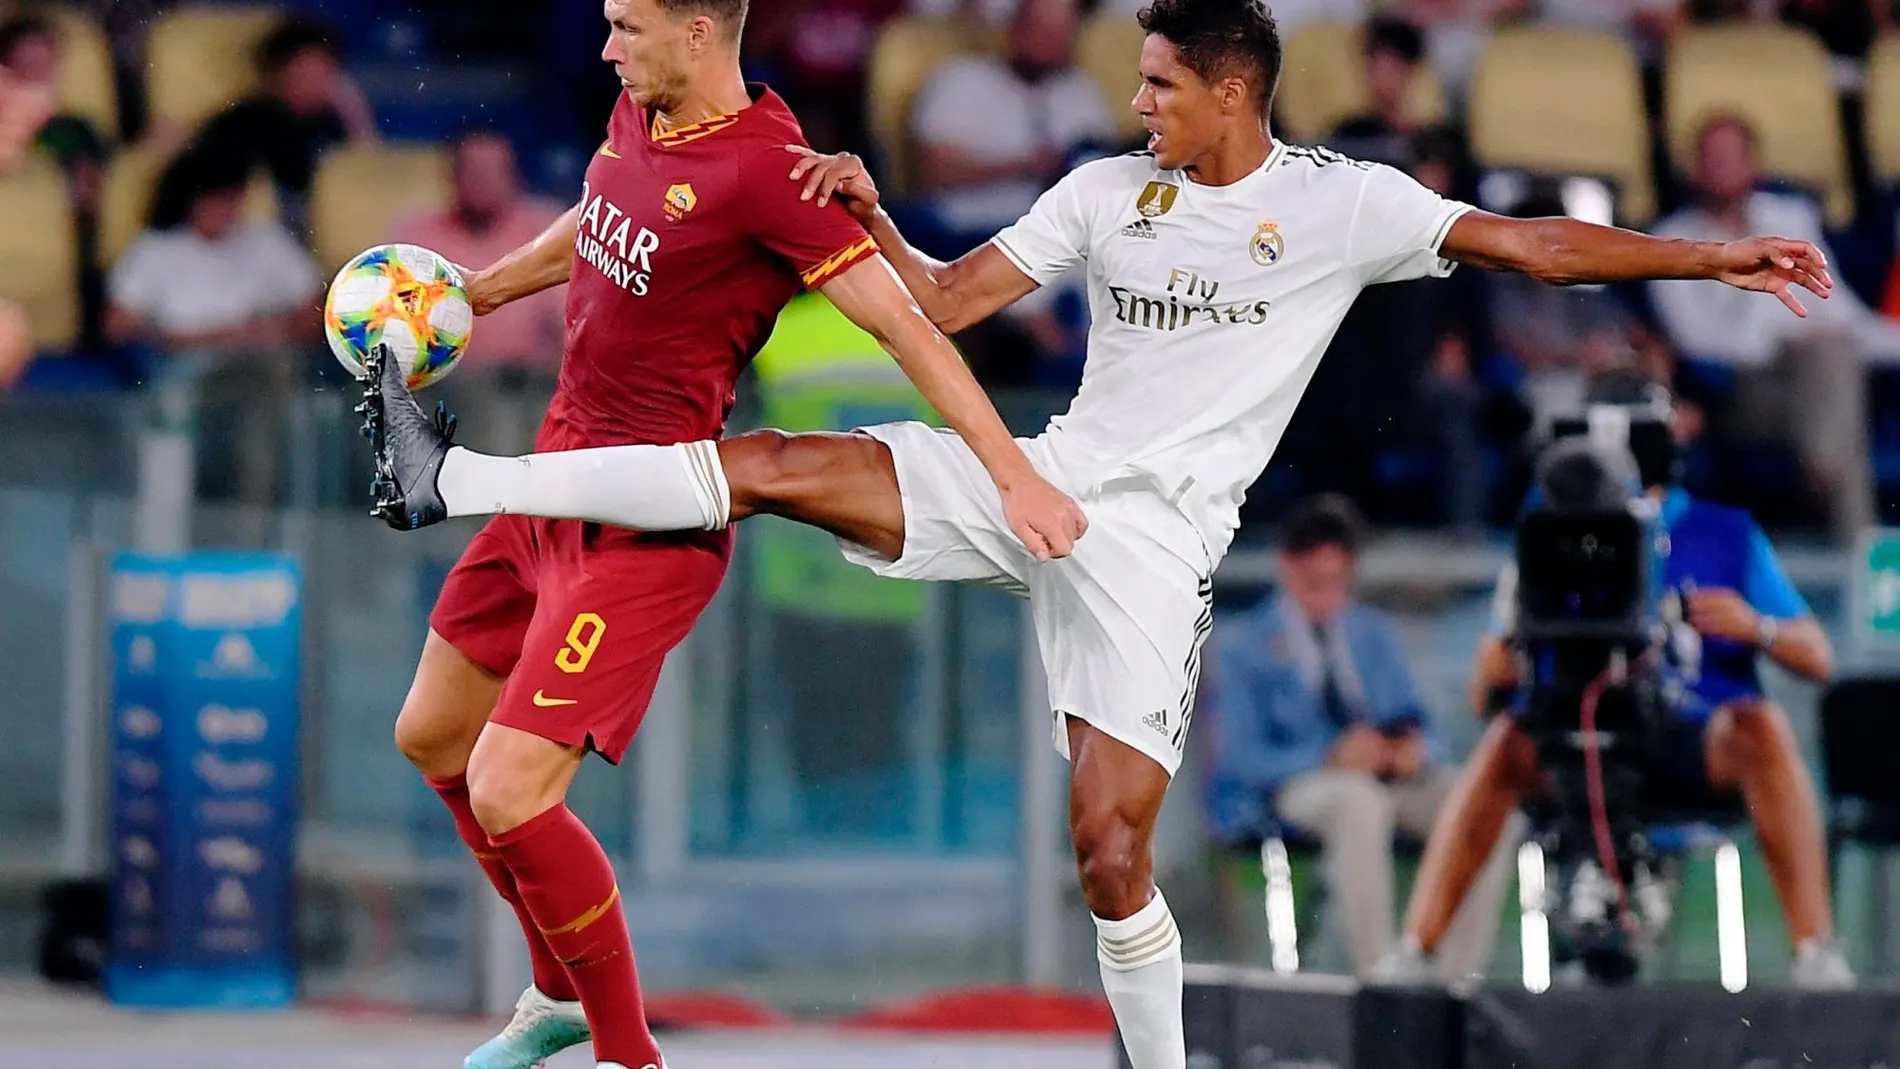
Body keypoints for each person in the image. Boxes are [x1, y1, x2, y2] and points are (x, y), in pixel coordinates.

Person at [363, 1, 1833, 1064]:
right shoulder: (1100, 193)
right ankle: (468, 479)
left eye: (1159, 87)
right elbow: (941, 306)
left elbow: (1535, 247)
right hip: (1045, 477)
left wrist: (1709, 252)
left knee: (1110, 851)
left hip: (1148, 548)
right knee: (769, 462)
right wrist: (872, 215)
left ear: (1234, 96)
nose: (1137, 106)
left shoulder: (1345, 208)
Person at [369, 2, 1084, 1069]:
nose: (607, 48)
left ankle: (627, 1053)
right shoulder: (638, 111)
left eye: (626, 25)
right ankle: (560, 994)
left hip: (647, 525)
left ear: (699, 31)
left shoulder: (772, 176)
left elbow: (909, 331)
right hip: (550, 484)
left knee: (511, 787)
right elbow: (598, 217)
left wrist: (1014, 474)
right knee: (431, 735)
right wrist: (481, 287)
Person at [1383, 380, 1854, 989]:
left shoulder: (1725, 533)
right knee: (1505, 738)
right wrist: (1504, 656)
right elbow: (1482, 692)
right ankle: (1416, 950)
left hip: (1688, 735)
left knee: (1762, 725)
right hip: (1571, 731)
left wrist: (1754, 625)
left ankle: (1815, 951)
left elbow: (1818, 659)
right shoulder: (1547, 531)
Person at [1207, 494, 1517, 980]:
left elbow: (1417, 722)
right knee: (1357, 801)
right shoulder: (1246, 647)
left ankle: (1454, 980)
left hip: (1386, 780)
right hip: (1295, 787)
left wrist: (1413, 753)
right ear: (1287, 567)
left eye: (1337, 582)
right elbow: (1243, 760)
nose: (1326, 596)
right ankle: (1379, 975)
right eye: (1314, 583)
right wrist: (1332, 756)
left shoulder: (1371, 634)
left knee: (1478, 802)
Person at [1649, 112, 1900, 541]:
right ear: (1694, 168)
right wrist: (1785, 336)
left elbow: (1840, 313)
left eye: (1731, 156)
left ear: (1754, 164)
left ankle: (1821, 467)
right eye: (1712, 158)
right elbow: (1698, 341)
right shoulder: (1670, 239)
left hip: (1815, 379)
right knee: (1838, 403)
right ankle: (1861, 562)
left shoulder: (1791, 219)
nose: (1721, 167)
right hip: (1735, 394)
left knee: (1833, 367)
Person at [389, 128, 568, 454]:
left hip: (529, 390)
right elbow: (392, 332)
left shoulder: (546, 231)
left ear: (516, 177)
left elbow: (573, 329)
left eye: (492, 171)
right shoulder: (415, 238)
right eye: (471, 170)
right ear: (451, 177)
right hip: (443, 391)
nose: (481, 181)